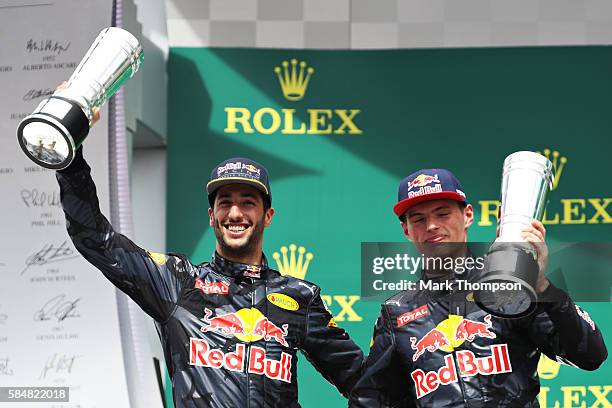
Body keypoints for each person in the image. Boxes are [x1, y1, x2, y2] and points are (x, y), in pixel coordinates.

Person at [56, 143, 363, 405]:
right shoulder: (178, 282)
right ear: (211, 216)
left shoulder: (300, 296)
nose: (235, 213)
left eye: (247, 203)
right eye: (225, 202)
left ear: (267, 216)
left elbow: (363, 383)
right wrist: (71, 161)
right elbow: (98, 241)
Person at [349, 168, 607, 407]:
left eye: (442, 213)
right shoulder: (397, 312)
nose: (431, 226)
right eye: (418, 219)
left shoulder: (511, 287)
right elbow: (370, 400)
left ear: (468, 215)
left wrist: (542, 288)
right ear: (406, 230)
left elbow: (590, 355)